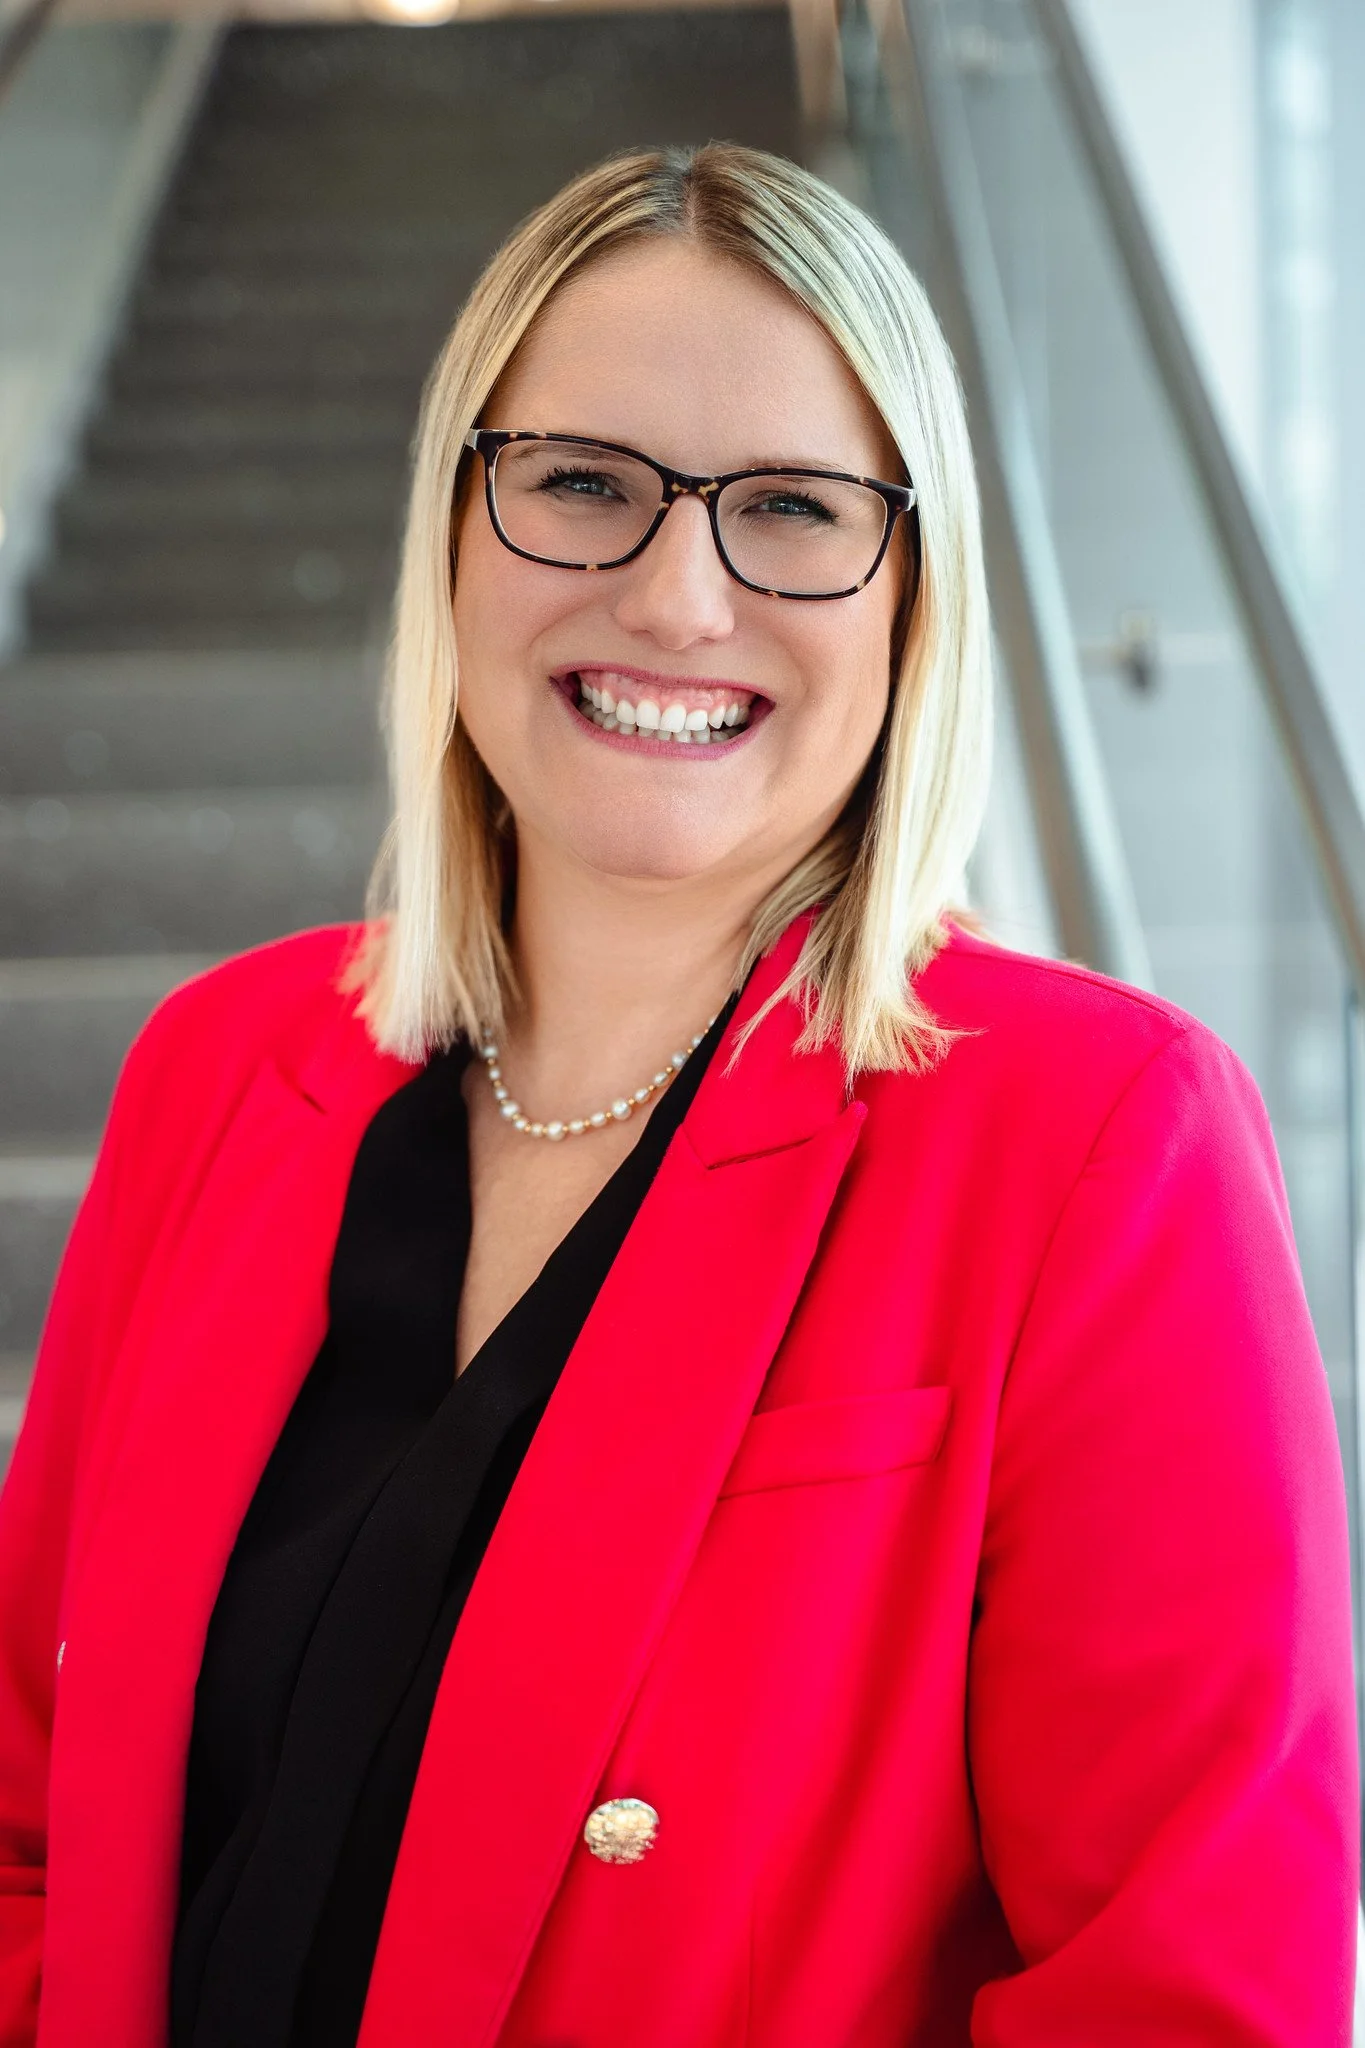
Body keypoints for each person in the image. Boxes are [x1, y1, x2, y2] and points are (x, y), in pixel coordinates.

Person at [0, 142, 1355, 2048]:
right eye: (578, 484)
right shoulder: (221, 1072)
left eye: (794, 511)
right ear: (456, 527)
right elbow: (32, 1833)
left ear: (915, 595)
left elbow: (1193, 1988)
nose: (678, 599)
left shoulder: (1096, 1137)